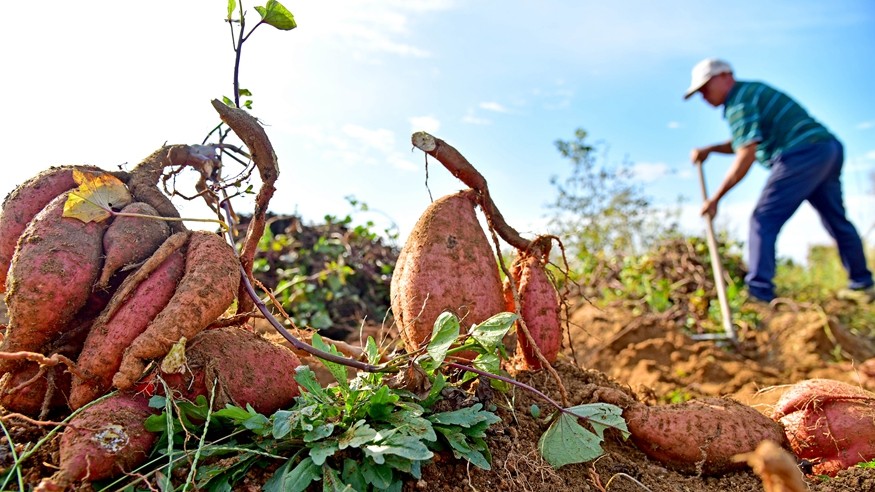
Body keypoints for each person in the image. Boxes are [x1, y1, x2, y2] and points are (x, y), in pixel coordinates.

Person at [684, 58, 874, 303]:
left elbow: (746, 152)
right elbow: (745, 140)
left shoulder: (739, 101)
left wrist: (716, 199)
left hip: (801, 153)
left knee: (763, 219)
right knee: (836, 221)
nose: (703, 97)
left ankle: (759, 294)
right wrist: (710, 149)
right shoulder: (750, 94)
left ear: (724, 76)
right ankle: (862, 285)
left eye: (704, 89)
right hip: (826, 148)